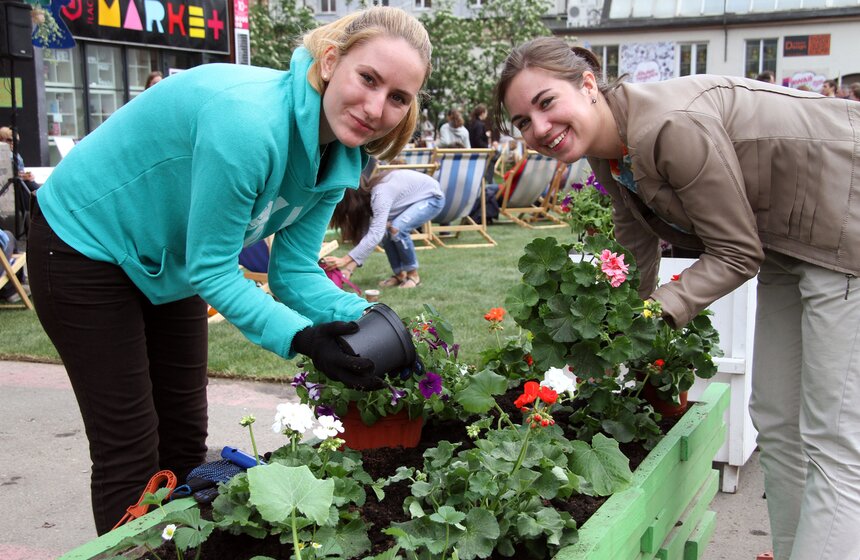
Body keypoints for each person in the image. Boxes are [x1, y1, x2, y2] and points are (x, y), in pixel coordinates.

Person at [27, 6, 431, 536]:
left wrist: (374, 319)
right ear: (331, 61)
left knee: (183, 444)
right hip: (82, 243)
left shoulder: (334, 160)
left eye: (398, 97)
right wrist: (306, 339)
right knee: (129, 448)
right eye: (368, 79)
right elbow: (214, 270)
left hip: (164, 261)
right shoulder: (249, 124)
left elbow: (293, 274)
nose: (377, 107)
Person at [492, 36, 860, 560]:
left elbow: (735, 253)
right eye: (523, 121)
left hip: (846, 221)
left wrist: (655, 312)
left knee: (834, 441)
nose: (539, 128)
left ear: (588, 84)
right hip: (788, 240)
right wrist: (608, 336)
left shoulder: (668, 126)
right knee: (777, 421)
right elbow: (634, 244)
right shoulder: (609, 150)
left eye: (546, 102)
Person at [325, 166, 444, 289]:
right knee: (385, 232)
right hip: (412, 200)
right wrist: (349, 269)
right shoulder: (368, 200)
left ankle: (413, 276)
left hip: (432, 197)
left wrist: (344, 259)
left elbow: (375, 234)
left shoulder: (380, 194)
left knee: (397, 229)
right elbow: (370, 238)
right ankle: (400, 275)